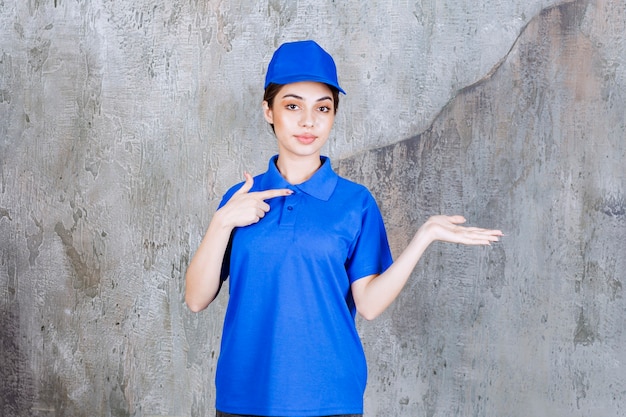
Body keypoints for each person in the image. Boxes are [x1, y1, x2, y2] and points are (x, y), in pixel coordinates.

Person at [185, 40, 503, 417]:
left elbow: (368, 304)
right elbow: (196, 299)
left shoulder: (356, 203)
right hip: (244, 397)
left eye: (323, 108)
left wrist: (425, 236)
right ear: (268, 111)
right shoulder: (240, 200)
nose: (308, 121)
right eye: (292, 106)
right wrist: (222, 222)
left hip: (330, 398)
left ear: (334, 114)